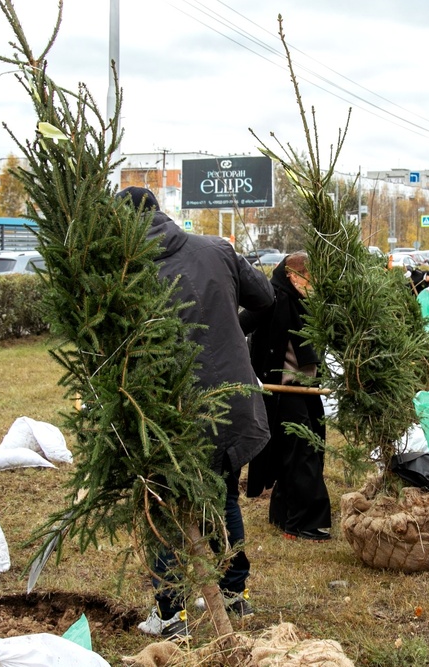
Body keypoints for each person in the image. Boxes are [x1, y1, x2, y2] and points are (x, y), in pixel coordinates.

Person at [117, 187, 274, 640]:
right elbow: (264, 296)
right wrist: (227, 326)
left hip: (170, 407)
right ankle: (233, 593)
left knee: (162, 506)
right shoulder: (216, 248)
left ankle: (171, 614)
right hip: (229, 396)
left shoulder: (126, 270)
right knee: (223, 495)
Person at [240, 252, 331, 542]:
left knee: (303, 451)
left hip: (307, 388)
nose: (313, 286)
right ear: (293, 276)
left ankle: (283, 514)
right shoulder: (271, 298)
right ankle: (304, 523)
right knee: (302, 454)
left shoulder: (305, 302)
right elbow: (238, 326)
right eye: (309, 280)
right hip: (282, 391)